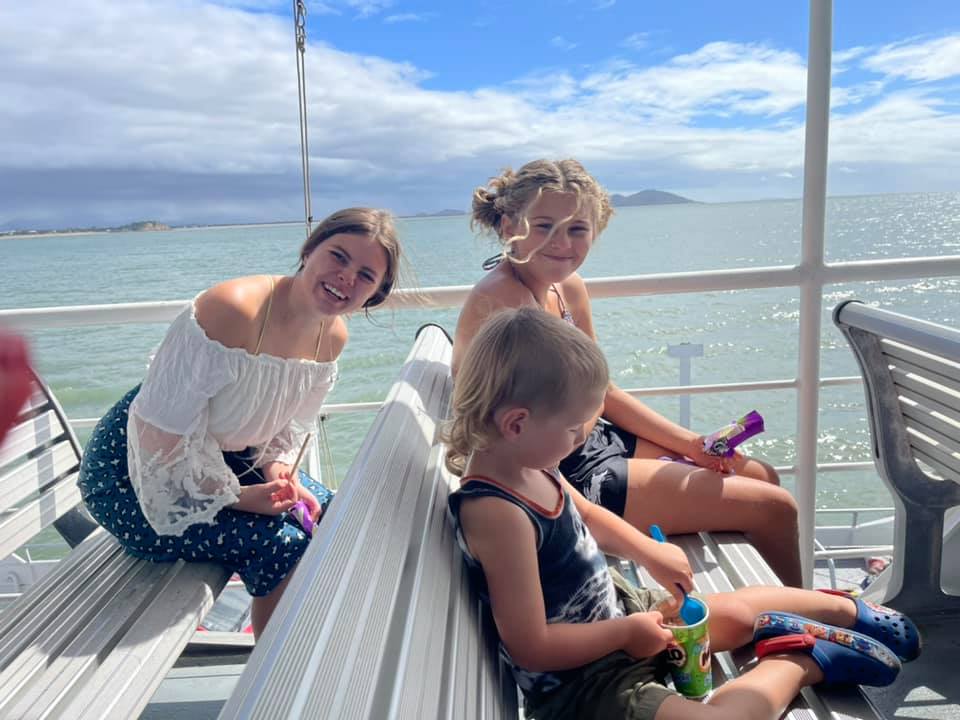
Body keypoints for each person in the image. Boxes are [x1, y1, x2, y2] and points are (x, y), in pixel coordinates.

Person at [445, 307, 920, 720]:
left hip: (618, 616)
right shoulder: (496, 512)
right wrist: (626, 634)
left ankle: (847, 610)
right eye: (573, 428)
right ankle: (803, 658)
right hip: (586, 682)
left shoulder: (533, 462)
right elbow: (532, 646)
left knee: (730, 613)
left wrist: (649, 551)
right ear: (516, 423)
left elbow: (587, 514)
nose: (577, 441)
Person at [452, 159, 802, 586]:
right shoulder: (503, 304)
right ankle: (803, 620)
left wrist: (692, 445)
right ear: (509, 226)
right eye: (544, 226)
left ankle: (782, 608)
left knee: (759, 475)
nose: (562, 243)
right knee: (776, 508)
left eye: (577, 229)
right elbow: (508, 447)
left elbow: (604, 391)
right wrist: (640, 548)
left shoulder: (568, 287)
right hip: (564, 470)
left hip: (595, 438)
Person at [77, 208, 403, 638]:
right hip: (135, 478)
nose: (346, 277)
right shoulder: (230, 311)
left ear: (375, 294)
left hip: (223, 461)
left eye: (365, 275)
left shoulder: (333, 336)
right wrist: (238, 497)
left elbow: (285, 430)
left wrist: (279, 471)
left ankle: (318, 640)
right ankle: (270, 674)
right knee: (282, 545)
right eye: (338, 256)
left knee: (335, 514)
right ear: (309, 250)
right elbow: (157, 444)